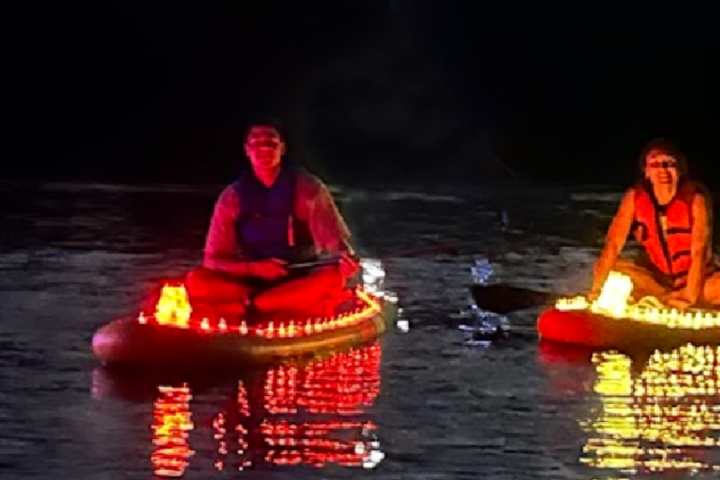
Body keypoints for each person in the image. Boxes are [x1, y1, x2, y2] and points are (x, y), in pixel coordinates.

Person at [185, 122, 360, 314]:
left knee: (332, 278)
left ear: (282, 148)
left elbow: (337, 244)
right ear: (247, 150)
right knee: (196, 281)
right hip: (251, 280)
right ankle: (260, 304)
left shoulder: (308, 188)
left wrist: (347, 261)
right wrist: (253, 269)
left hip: (297, 279)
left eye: (271, 142)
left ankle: (250, 307)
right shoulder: (231, 197)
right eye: (256, 143)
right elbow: (213, 260)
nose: (264, 148)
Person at [588, 139, 720, 310]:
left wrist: (690, 296)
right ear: (647, 172)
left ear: (680, 169)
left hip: (700, 282)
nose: (663, 170)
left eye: (669, 164)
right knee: (615, 269)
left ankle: (675, 302)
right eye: (655, 165)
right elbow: (613, 245)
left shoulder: (697, 198)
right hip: (658, 282)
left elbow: (699, 250)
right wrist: (597, 289)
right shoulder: (634, 198)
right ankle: (664, 299)